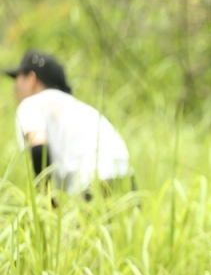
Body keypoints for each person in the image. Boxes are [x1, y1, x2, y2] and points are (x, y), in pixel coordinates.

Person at [4, 50, 133, 199]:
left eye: (18, 79)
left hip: (93, 181)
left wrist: (45, 198)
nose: (15, 87)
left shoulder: (30, 104)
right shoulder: (78, 107)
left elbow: (39, 148)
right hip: (127, 180)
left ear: (31, 79)